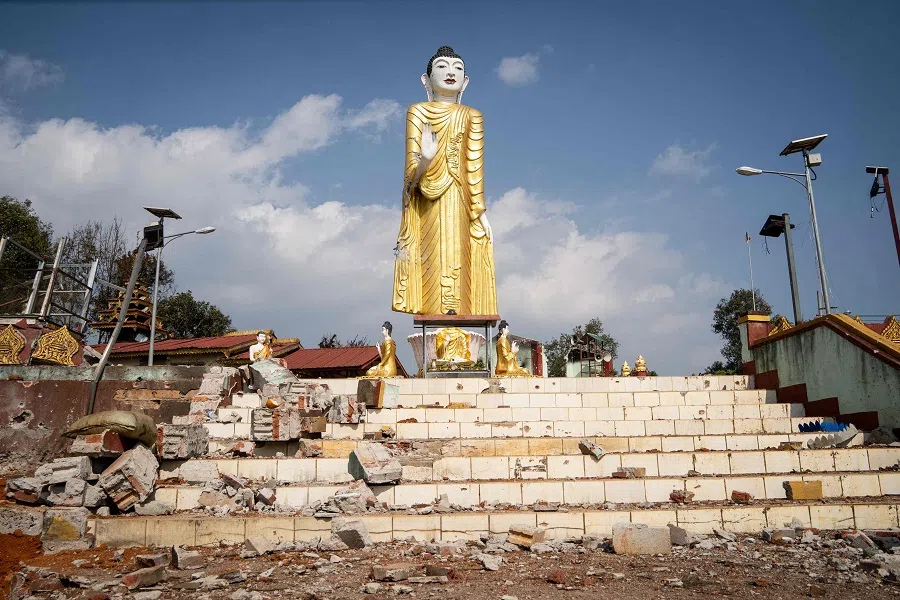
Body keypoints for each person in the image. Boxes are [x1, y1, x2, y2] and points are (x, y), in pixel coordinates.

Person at [392, 46, 498, 316]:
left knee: (461, 258)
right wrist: (426, 159)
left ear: (465, 81)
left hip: (461, 200)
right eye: (442, 66)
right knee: (432, 257)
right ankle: (433, 315)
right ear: (426, 80)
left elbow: (474, 168)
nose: (451, 72)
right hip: (428, 201)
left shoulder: (472, 115)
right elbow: (410, 178)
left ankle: (460, 315)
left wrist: (480, 213)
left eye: (457, 68)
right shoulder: (418, 112)